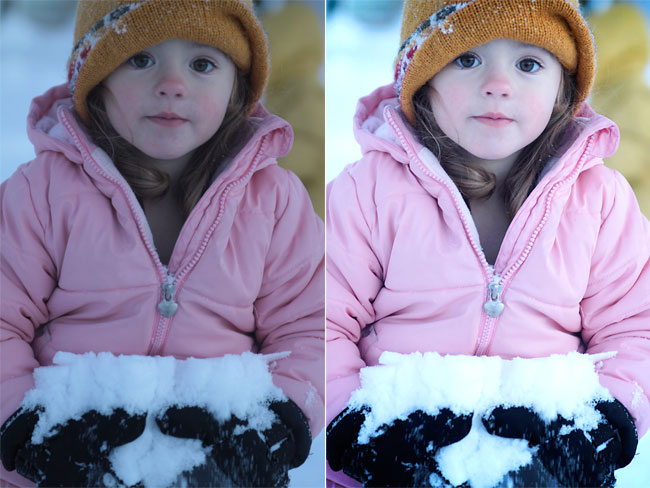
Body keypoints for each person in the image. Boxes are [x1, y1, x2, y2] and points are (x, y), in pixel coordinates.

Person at [325, 0, 650, 486]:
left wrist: (603, 424)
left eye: (528, 64)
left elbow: (634, 329)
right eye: (467, 59)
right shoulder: (368, 193)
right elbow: (321, 318)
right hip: (392, 458)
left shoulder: (599, 202)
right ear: (423, 80)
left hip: (546, 461)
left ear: (563, 86)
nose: (498, 84)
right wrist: (352, 424)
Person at [0, 1, 324, 487]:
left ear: (236, 87)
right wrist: (25, 423)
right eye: (141, 59)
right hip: (65, 458)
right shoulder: (42, 193)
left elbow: (309, 327)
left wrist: (278, 421)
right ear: (97, 79)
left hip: (220, 461)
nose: (172, 84)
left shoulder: (274, 202)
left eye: (202, 64)